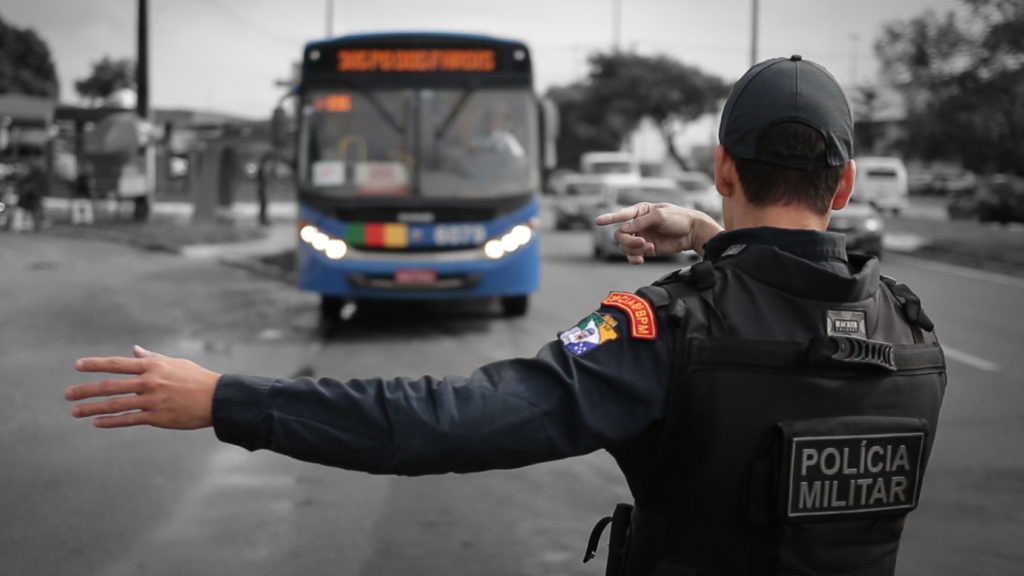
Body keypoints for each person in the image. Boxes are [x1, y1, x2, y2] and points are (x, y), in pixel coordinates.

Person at [66, 56, 947, 575]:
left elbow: (450, 419)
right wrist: (719, 242)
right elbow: (795, 313)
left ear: (722, 167)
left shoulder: (666, 331)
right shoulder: (911, 333)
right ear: (844, 184)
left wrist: (225, 398)